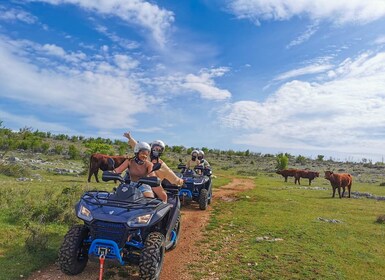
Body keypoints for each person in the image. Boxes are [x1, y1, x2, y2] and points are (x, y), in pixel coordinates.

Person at [124, 132, 184, 202]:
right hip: (136, 182)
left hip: (153, 186)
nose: (156, 151)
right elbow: (136, 145)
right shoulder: (145, 157)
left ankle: (162, 211)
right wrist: (129, 138)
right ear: (151, 148)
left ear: (162, 151)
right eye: (155, 148)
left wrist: (181, 182)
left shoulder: (163, 166)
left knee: (164, 196)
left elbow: (174, 178)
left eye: (159, 149)